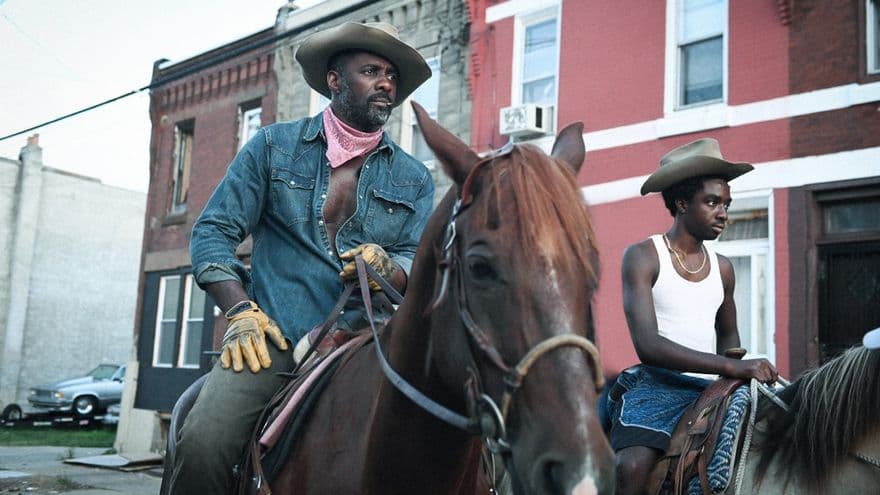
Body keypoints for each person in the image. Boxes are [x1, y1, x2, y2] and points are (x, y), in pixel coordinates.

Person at [168, 21, 435, 494]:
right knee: (205, 442)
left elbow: (418, 260)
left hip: (368, 342)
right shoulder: (272, 147)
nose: (386, 83)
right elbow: (213, 231)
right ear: (334, 80)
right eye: (371, 70)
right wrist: (239, 311)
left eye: (392, 76)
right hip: (272, 336)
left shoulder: (415, 178)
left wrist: (388, 267)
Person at [604, 138, 779, 495]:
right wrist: (732, 367)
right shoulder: (643, 256)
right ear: (682, 204)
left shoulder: (723, 268)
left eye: (726, 204)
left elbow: (729, 339)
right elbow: (648, 345)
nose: (724, 213)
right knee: (633, 465)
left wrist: (735, 373)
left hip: (712, 391)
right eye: (712, 202)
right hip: (657, 386)